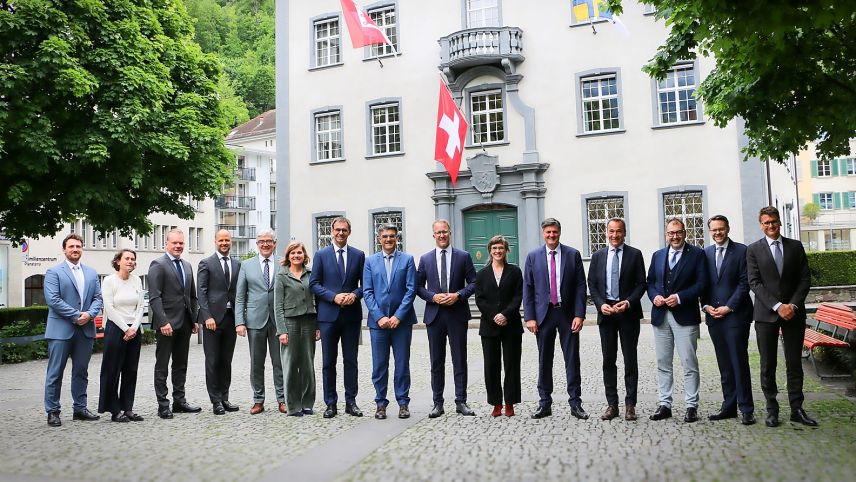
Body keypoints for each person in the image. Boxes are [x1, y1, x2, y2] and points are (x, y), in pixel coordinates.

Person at [746, 206, 816, 427]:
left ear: (779, 222)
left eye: (774, 221)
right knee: (768, 364)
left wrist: (793, 305)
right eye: (766, 222)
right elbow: (754, 282)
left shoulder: (795, 246)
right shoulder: (753, 250)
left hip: (794, 314)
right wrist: (777, 306)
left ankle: (797, 409)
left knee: (794, 363)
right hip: (766, 314)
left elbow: (805, 279)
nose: (771, 226)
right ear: (761, 224)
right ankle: (772, 409)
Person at [523, 218, 589, 420]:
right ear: (543, 233)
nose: (551, 235)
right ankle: (544, 403)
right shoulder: (533, 256)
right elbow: (528, 287)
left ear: (559, 232)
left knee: (572, 359)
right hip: (544, 315)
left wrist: (580, 314)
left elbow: (580, 286)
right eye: (548, 232)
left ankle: (575, 403)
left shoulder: (572, 255)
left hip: (567, 314)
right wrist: (530, 317)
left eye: (555, 232)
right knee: (545, 360)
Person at [647, 218, 707, 423]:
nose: (675, 236)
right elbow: (651, 282)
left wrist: (680, 297)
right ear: (666, 234)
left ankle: (691, 406)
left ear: (684, 232)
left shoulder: (697, 254)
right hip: (660, 316)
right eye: (671, 233)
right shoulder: (658, 255)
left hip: (685, 316)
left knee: (689, 362)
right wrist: (654, 296)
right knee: (663, 363)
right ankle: (665, 404)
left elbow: (702, 284)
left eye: (678, 232)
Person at [586, 218, 646, 422]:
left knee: (630, 360)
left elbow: (641, 284)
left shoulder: (635, 254)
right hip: (607, 313)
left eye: (618, 231)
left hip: (627, 313)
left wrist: (629, 302)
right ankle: (612, 404)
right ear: (606, 232)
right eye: (611, 231)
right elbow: (592, 283)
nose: (614, 235)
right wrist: (600, 303)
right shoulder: (598, 256)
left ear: (624, 233)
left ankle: (631, 405)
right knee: (608, 360)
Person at [417, 219, 477, 418]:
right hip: (435, 315)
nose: (442, 235)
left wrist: (458, 295)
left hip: (457, 313)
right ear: (433, 235)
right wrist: (432, 297)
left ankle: (461, 401)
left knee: (459, 360)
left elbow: (474, 283)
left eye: (445, 232)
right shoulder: (425, 259)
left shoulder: (463, 256)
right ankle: (437, 403)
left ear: (450, 233)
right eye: (438, 232)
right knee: (437, 361)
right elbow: (417, 287)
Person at [43, 234, 104, 427]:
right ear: (64, 249)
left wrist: (89, 315)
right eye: (71, 246)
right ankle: (53, 411)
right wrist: (77, 315)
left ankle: (80, 408)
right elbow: (53, 299)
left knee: (81, 371)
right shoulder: (54, 272)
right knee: (55, 373)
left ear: (82, 249)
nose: (75, 249)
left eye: (78, 246)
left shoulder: (91, 273)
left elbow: (98, 299)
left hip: (85, 330)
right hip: (61, 330)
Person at [701, 215, 755, 425]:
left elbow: (744, 283)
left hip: (735, 316)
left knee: (739, 362)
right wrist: (705, 306)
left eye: (721, 229)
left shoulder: (742, 251)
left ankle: (746, 408)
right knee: (724, 365)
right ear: (710, 231)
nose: (717, 233)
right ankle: (729, 406)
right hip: (714, 317)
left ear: (728, 229)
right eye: (714, 230)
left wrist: (729, 307)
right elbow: (702, 283)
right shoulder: (705, 253)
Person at [309, 217, 366, 418]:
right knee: (328, 362)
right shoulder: (321, 255)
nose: (341, 233)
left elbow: (365, 285)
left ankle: (351, 402)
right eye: (337, 230)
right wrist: (333, 297)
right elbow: (314, 284)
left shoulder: (358, 255)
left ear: (349, 232)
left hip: (351, 316)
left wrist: (354, 295)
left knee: (351, 361)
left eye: (344, 230)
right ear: (331, 231)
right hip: (328, 316)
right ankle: (330, 403)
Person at [363, 224, 417, 420]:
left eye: (392, 236)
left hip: (401, 322)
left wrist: (397, 316)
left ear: (397, 238)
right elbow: (367, 292)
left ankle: (403, 403)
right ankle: (380, 403)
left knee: (402, 363)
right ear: (379, 239)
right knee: (379, 364)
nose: (388, 239)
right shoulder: (370, 262)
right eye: (385, 236)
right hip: (378, 323)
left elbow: (411, 290)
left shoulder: (408, 260)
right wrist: (380, 316)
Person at [148, 228, 201, 419]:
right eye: (174, 243)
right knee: (162, 365)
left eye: (181, 243)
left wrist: (194, 319)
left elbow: (192, 296)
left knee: (181, 365)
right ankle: (163, 404)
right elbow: (155, 297)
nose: (178, 246)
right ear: (166, 244)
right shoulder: (158, 264)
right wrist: (163, 321)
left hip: (185, 324)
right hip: (166, 325)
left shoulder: (187, 265)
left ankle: (180, 401)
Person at [236, 230, 286, 414]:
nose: (265, 244)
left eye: (269, 241)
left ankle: (282, 399)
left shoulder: (283, 263)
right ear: (257, 243)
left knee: (279, 362)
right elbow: (240, 297)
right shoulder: (246, 265)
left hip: (278, 320)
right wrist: (239, 322)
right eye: (261, 241)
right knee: (256, 363)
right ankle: (258, 400)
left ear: (275, 243)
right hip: (255, 321)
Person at [474, 235, 523, 417]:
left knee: (511, 364)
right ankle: (496, 403)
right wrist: (494, 316)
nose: (497, 251)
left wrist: (505, 314)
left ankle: (510, 402)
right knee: (491, 365)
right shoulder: (481, 274)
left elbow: (518, 296)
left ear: (506, 250)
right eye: (494, 248)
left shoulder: (515, 271)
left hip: (511, 325)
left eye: (501, 248)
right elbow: (479, 299)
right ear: (490, 251)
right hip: (489, 325)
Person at [197, 229, 242, 415]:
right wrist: (207, 316)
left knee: (226, 360)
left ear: (231, 242)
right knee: (213, 360)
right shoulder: (206, 263)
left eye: (227, 240)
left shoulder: (237, 264)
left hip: (231, 319)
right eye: (221, 240)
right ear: (215, 241)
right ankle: (215, 400)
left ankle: (224, 397)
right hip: (212, 320)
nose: (224, 243)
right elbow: (201, 291)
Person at [98, 249, 145, 422]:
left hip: (134, 329)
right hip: (116, 329)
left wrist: (133, 327)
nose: (130, 261)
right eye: (127, 258)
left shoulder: (137, 281)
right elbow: (109, 307)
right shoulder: (109, 281)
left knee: (131, 370)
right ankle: (114, 409)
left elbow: (141, 306)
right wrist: (126, 328)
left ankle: (128, 407)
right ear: (118, 261)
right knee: (112, 370)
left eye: (133, 259)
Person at [274, 241, 319, 417]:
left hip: (309, 322)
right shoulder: (281, 276)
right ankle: (293, 406)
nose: (296, 256)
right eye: (292, 253)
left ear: (304, 255)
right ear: (288, 256)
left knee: (308, 364)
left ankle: (307, 403)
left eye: (299, 253)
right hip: (290, 323)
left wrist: (317, 326)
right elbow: (277, 306)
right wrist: (281, 330)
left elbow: (317, 300)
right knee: (291, 365)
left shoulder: (311, 273)